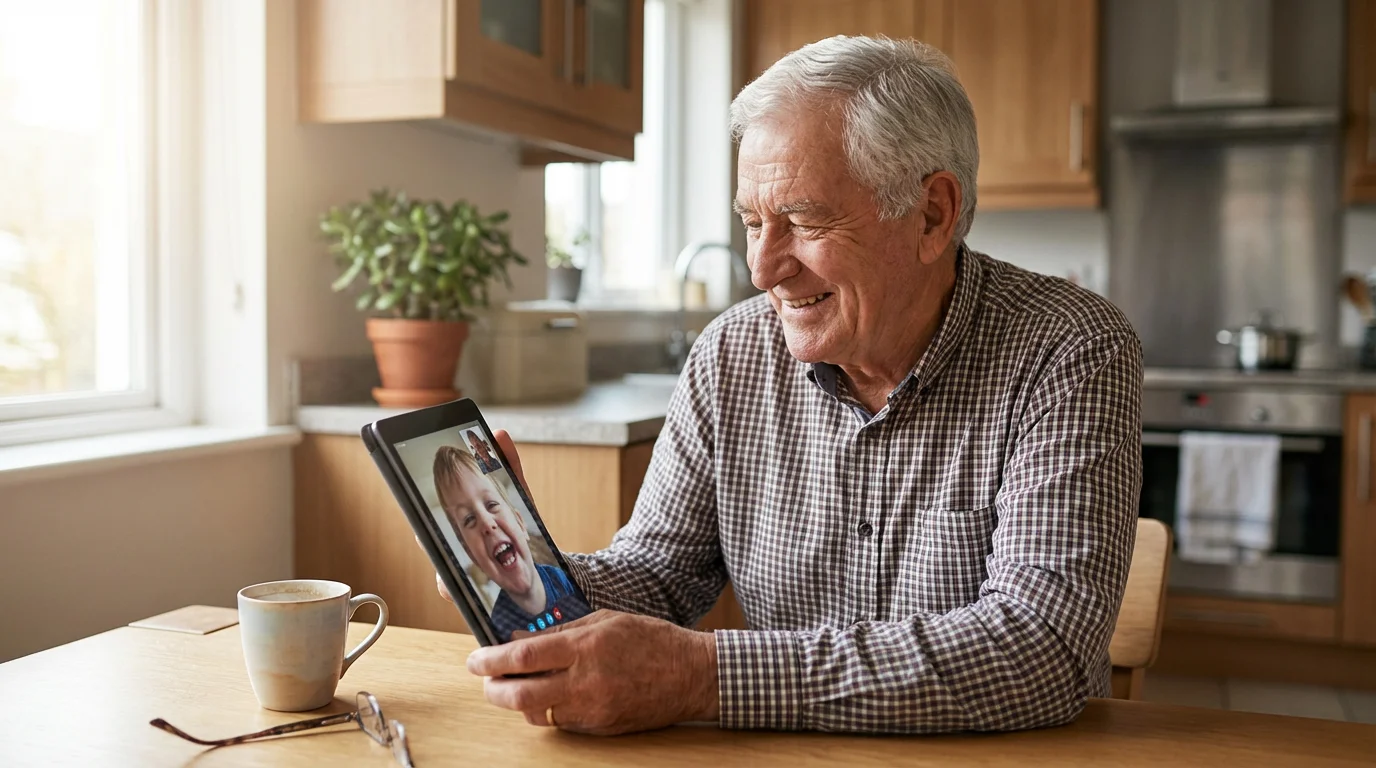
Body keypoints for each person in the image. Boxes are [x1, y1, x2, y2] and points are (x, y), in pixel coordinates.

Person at [456, 35, 1143, 736]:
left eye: (805, 221)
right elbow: (658, 574)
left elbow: (1041, 649)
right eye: (753, 223)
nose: (761, 269)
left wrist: (704, 676)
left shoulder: (1070, 349)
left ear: (932, 213)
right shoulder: (732, 353)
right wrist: (533, 567)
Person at [432, 445, 589, 641]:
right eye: (469, 519)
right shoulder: (500, 623)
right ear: (472, 556)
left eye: (491, 505)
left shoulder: (560, 578)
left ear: (521, 523)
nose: (487, 524)